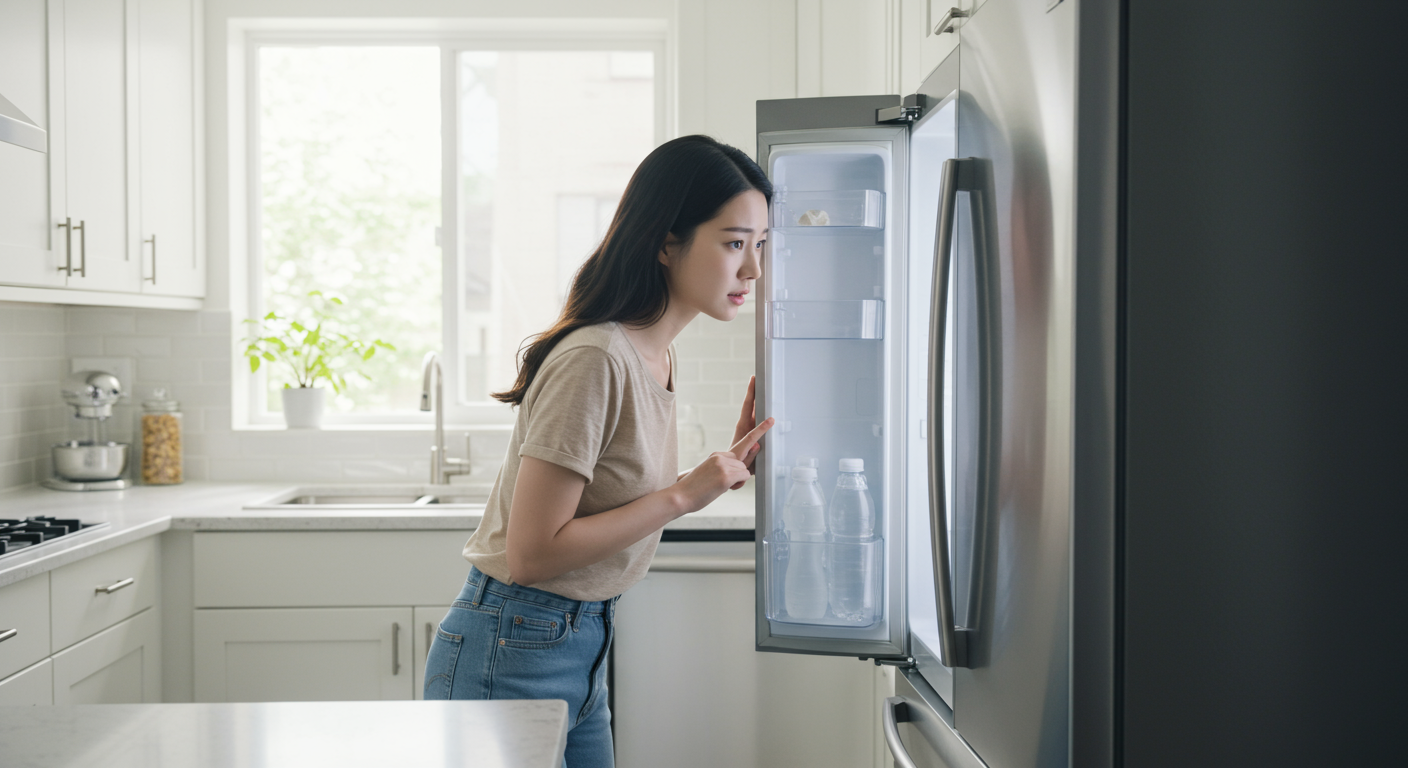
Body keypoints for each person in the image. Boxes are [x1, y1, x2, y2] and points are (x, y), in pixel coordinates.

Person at [422, 134, 775, 768]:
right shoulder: (596, 357)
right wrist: (681, 496)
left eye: (760, 245)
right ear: (667, 242)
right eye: (733, 243)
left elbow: (613, 496)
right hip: (512, 645)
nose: (753, 269)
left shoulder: (655, 353)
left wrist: (717, 474)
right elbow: (533, 553)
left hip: (578, 641)